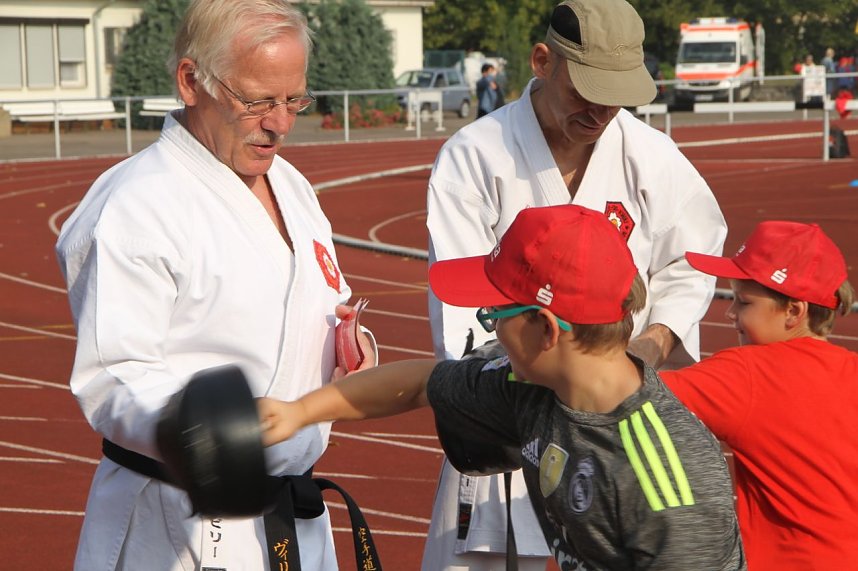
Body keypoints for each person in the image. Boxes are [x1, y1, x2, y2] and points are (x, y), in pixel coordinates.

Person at [55, 1, 375, 569]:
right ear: (190, 81)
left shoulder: (291, 184)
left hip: (290, 515)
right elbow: (114, 376)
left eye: (293, 99)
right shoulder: (138, 204)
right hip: (180, 526)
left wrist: (349, 348)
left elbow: (322, 300)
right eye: (256, 101)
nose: (279, 122)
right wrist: (199, 432)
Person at [258, 205, 747, 570]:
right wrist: (298, 412)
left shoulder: (667, 485)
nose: (489, 330)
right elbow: (420, 384)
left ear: (547, 329)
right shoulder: (535, 386)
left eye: (495, 314)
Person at [424, 0, 727, 567]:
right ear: (543, 61)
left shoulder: (653, 158)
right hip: (507, 418)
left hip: (614, 428)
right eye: (585, 92)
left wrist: (652, 342)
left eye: (615, 97)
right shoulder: (474, 156)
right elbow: (463, 309)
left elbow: (692, 260)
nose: (600, 111)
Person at [660, 220, 858, 569]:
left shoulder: (749, 373)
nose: (731, 314)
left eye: (744, 302)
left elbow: (617, 393)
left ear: (794, 311)